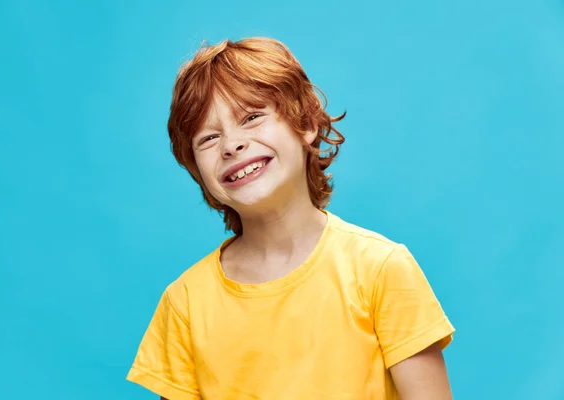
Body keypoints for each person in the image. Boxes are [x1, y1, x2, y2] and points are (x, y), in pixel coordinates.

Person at [126, 37, 455, 400]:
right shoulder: (184, 303)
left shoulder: (382, 269)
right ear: (196, 170)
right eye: (209, 138)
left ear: (306, 123)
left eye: (252, 117)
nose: (231, 145)